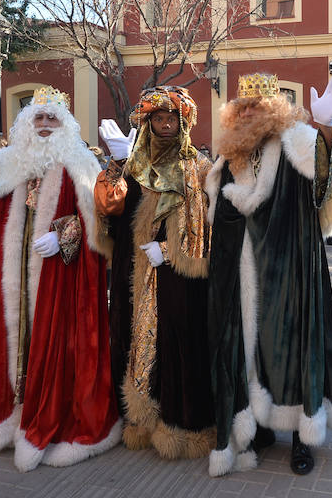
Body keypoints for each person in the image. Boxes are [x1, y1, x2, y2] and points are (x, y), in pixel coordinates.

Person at [0, 89, 120, 471]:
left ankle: (54, 418)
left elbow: (103, 219)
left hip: (60, 279)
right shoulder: (10, 160)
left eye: (53, 119)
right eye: (39, 118)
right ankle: (9, 417)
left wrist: (64, 233)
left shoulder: (81, 162)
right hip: (13, 278)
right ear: (27, 124)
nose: (45, 125)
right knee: (9, 342)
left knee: (57, 346)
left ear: (65, 125)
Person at [206, 73, 332, 477]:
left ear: (275, 109)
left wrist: (325, 130)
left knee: (291, 350)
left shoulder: (296, 143)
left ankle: (302, 439)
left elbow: (324, 187)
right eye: (243, 106)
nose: (249, 111)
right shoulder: (229, 153)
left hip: (288, 271)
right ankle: (262, 426)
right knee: (249, 354)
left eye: (257, 105)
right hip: (241, 270)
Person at [93, 86, 216, 460]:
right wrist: (115, 164)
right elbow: (109, 210)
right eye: (158, 118)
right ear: (148, 123)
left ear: (184, 124)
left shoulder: (198, 167)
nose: (165, 125)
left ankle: (182, 425)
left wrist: (168, 250)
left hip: (178, 276)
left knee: (178, 341)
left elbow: (209, 225)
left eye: (171, 119)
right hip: (135, 271)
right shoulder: (133, 165)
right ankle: (141, 420)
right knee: (135, 339)